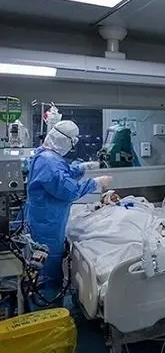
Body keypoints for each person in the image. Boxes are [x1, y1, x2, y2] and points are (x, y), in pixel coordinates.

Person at [24, 120, 112, 304]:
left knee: (44, 267)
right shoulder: (49, 162)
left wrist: (83, 167)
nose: (72, 147)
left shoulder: (46, 156)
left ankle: (46, 300)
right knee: (47, 271)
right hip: (47, 226)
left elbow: (62, 173)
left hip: (44, 219)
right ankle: (47, 308)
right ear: (65, 141)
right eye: (72, 142)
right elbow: (68, 190)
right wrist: (95, 183)